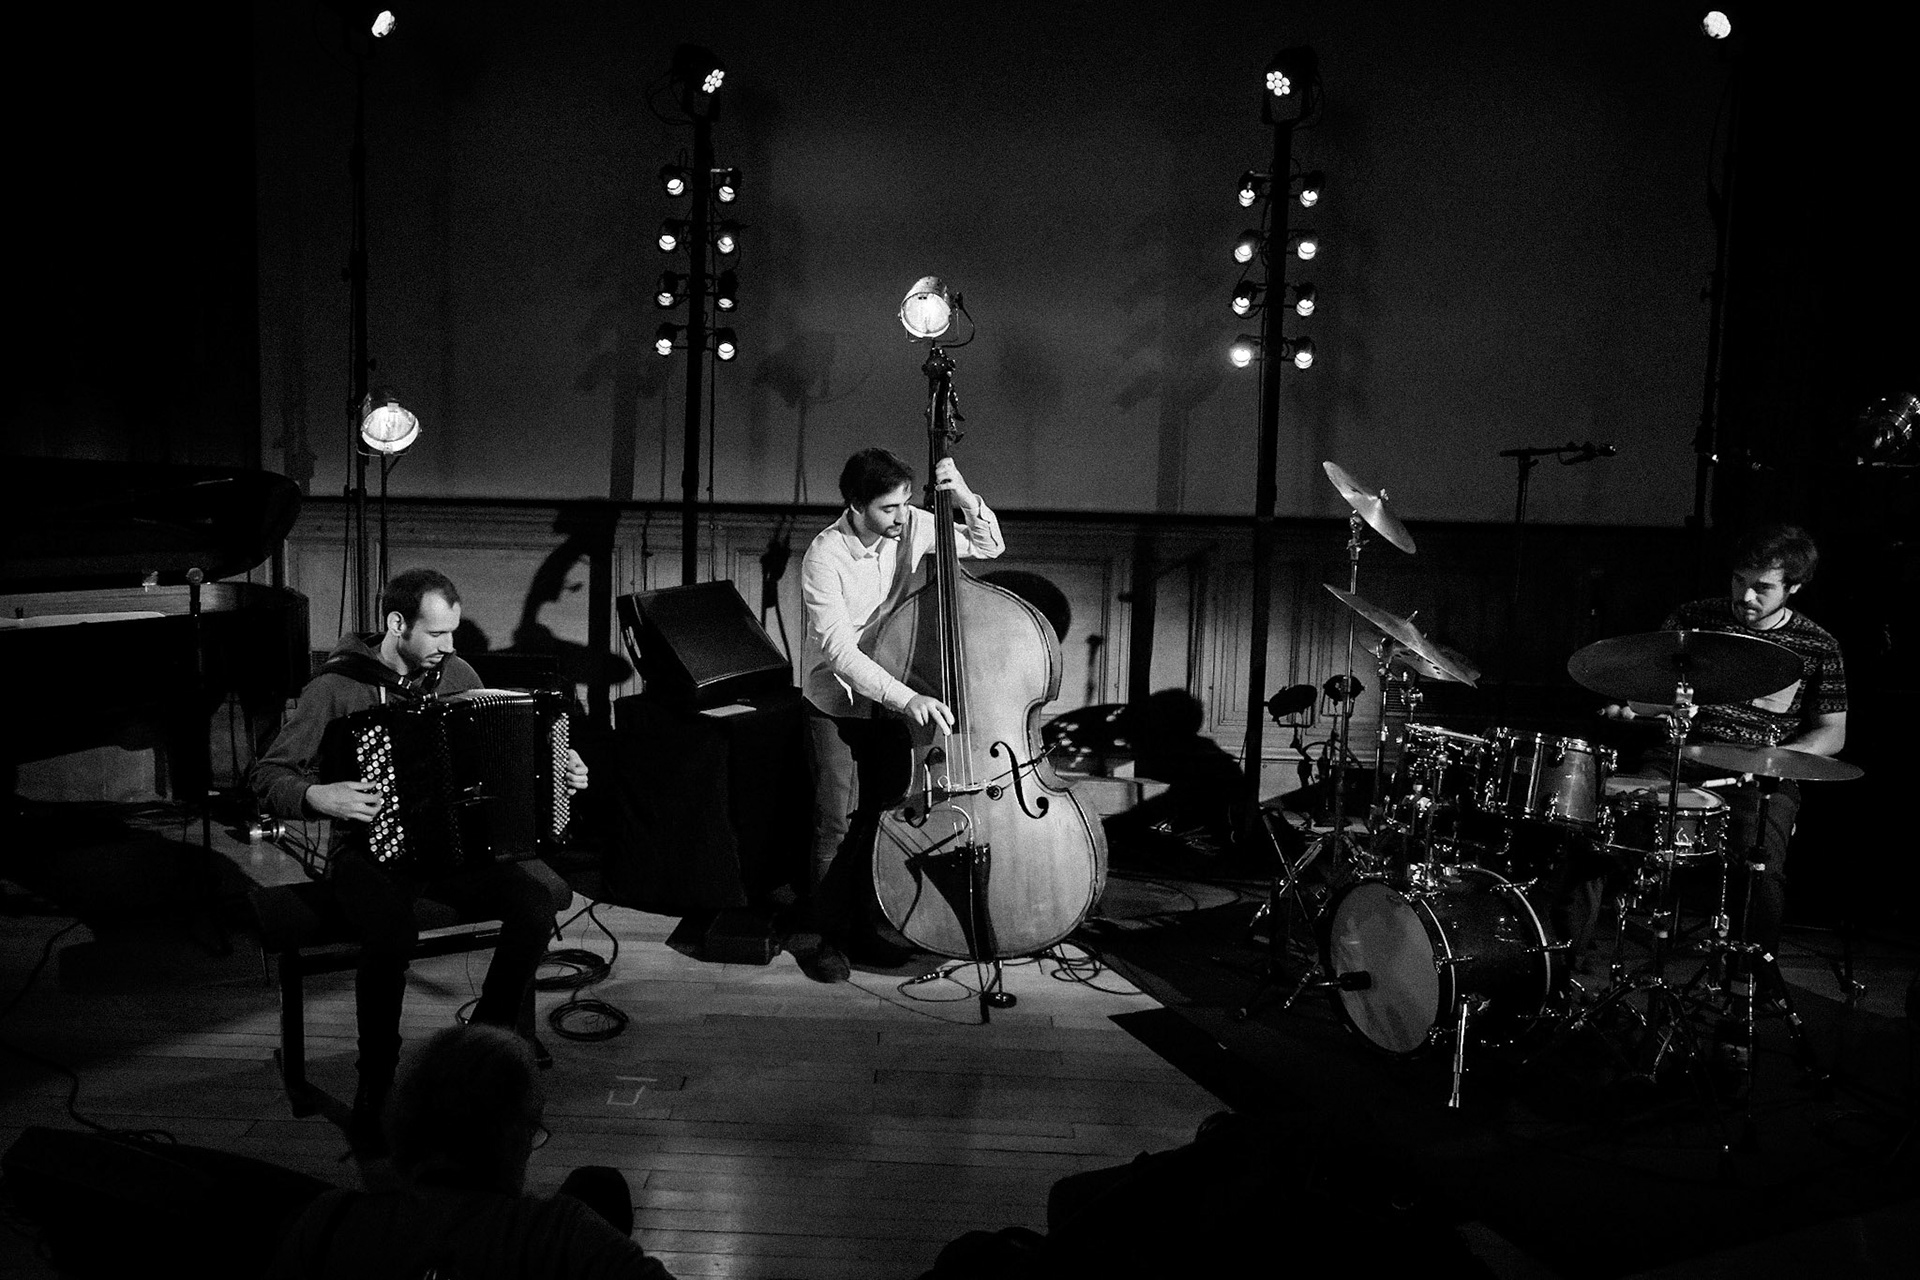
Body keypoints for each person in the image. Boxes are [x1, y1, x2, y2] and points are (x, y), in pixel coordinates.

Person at [250, 568, 591, 1152]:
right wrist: (317, 796)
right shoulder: (335, 687)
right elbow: (267, 776)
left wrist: (560, 767)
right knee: (391, 935)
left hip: (452, 851)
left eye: (452, 632)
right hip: (368, 850)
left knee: (536, 906)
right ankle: (376, 1082)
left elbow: (497, 757)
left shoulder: (456, 674)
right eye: (436, 633)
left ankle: (480, 1047)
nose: (448, 646)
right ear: (396, 624)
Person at [1593, 524, 1848, 996]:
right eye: (1738, 580)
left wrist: (1776, 759)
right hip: (1679, 756)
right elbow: (1647, 697)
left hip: (1759, 771)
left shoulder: (1818, 645)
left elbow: (1833, 733)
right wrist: (1650, 703)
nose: (1745, 596)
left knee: (1759, 864)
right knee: (1601, 830)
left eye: (1763, 587)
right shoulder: (1694, 620)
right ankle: (1560, 970)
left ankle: (1750, 989)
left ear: (1793, 587)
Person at [794, 447, 1004, 982]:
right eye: (889, 507)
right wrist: (906, 698)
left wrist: (963, 497)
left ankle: (865, 927)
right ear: (856, 504)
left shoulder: (910, 524)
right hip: (839, 704)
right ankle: (826, 938)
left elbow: (988, 546)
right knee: (835, 824)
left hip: (894, 701)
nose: (901, 516)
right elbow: (839, 652)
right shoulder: (824, 556)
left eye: (906, 503)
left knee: (879, 816)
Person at [267, 1024, 675, 1280]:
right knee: (598, 1186)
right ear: (512, 1137)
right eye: (532, 1129)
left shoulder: (328, 1223)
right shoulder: (562, 1236)